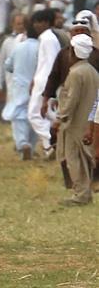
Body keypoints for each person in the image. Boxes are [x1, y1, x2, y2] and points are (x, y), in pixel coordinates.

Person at [55, 34, 99, 206]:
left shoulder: (75, 73)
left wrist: (60, 117)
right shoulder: (93, 72)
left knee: (73, 157)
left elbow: (71, 99)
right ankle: (85, 192)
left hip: (74, 123)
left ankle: (80, 194)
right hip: (89, 123)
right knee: (86, 158)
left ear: (73, 52)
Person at [3, 20, 39, 160]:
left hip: (19, 87)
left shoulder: (18, 47)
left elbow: (8, 66)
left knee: (19, 117)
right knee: (34, 115)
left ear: (26, 32)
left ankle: (23, 144)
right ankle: (31, 144)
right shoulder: (41, 47)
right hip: (36, 86)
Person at [28, 9, 62, 157]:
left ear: (47, 22)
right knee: (48, 114)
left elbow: (52, 63)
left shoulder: (48, 39)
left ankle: (51, 140)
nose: (36, 25)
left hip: (45, 82)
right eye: (35, 22)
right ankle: (50, 146)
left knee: (34, 115)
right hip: (42, 80)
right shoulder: (46, 38)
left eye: (39, 22)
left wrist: (49, 85)